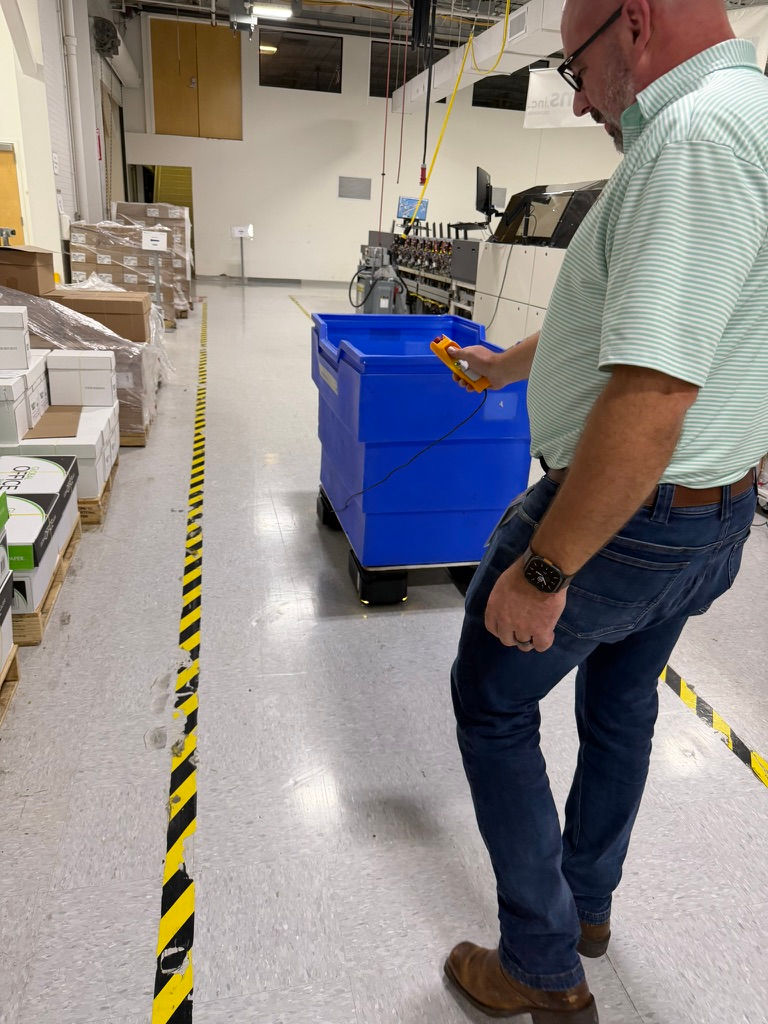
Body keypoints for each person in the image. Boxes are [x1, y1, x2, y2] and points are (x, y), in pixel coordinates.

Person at [442, 0, 768, 1019]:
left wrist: (546, 568)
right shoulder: (745, 110)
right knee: (622, 701)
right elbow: (636, 318)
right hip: (708, 512)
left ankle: (540, 964)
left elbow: (654, 392)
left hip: (633, 515)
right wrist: (507, 365)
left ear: (633, 26)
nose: (577, 98)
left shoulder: (693, 134)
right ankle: (584, 904)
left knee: (494, 698)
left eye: (576, 67)